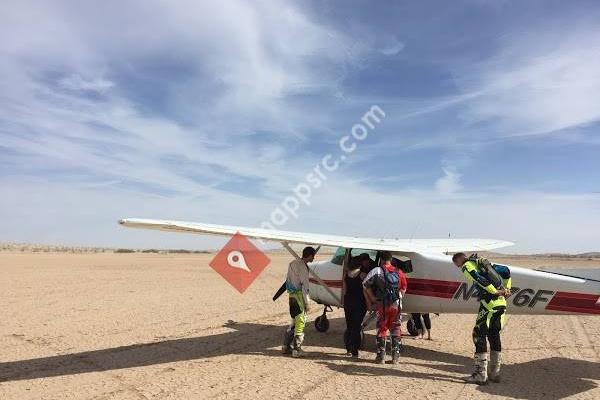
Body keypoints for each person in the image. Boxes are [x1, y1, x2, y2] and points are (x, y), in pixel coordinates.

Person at [452, 252, 512, 385]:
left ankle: (480, 375)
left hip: (489, 304)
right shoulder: (483, 262)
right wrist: (507, 289)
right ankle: (495, 373)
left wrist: (495, 291)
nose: (457, 267)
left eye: (455, 263)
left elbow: (478, 279)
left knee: (478, 335)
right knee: (494, 334)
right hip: (501, 303)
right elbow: (506, 271)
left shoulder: (467, 266)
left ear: (459, 260)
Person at [363, 251, 408, 364]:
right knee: (396, 328)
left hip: (382, 304)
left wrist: (372, 297)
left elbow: (365, 284)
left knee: (382, 328)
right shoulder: (399, 272)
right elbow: (404, 287)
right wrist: (398, 297)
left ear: (381, 260)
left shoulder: (377, 271)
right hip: (396, 305)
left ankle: (381, 356)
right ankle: (395, 358)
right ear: (391, 259)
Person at [282, 246, 316, 358]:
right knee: (300, 322)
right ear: (310, 255)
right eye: (313, 256)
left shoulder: (292, 263)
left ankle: (285, 346)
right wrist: (307, 303)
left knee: (293, 321)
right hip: (299, 297)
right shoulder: (303, 267)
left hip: (291, 296)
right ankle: (297, 349)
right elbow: (305, 286)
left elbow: (288, 280)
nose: (313, 258)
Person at [343, 253, 373, 358]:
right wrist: (370, 303)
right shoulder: (362, 275)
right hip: (359, 303)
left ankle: (348, 349)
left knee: (349, 325)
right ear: (360, 265)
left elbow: (345, 290)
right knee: (356, 327)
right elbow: (366, 291)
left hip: (348, 302)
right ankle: (354, 351)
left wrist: (344, 302)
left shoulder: (346, 274)